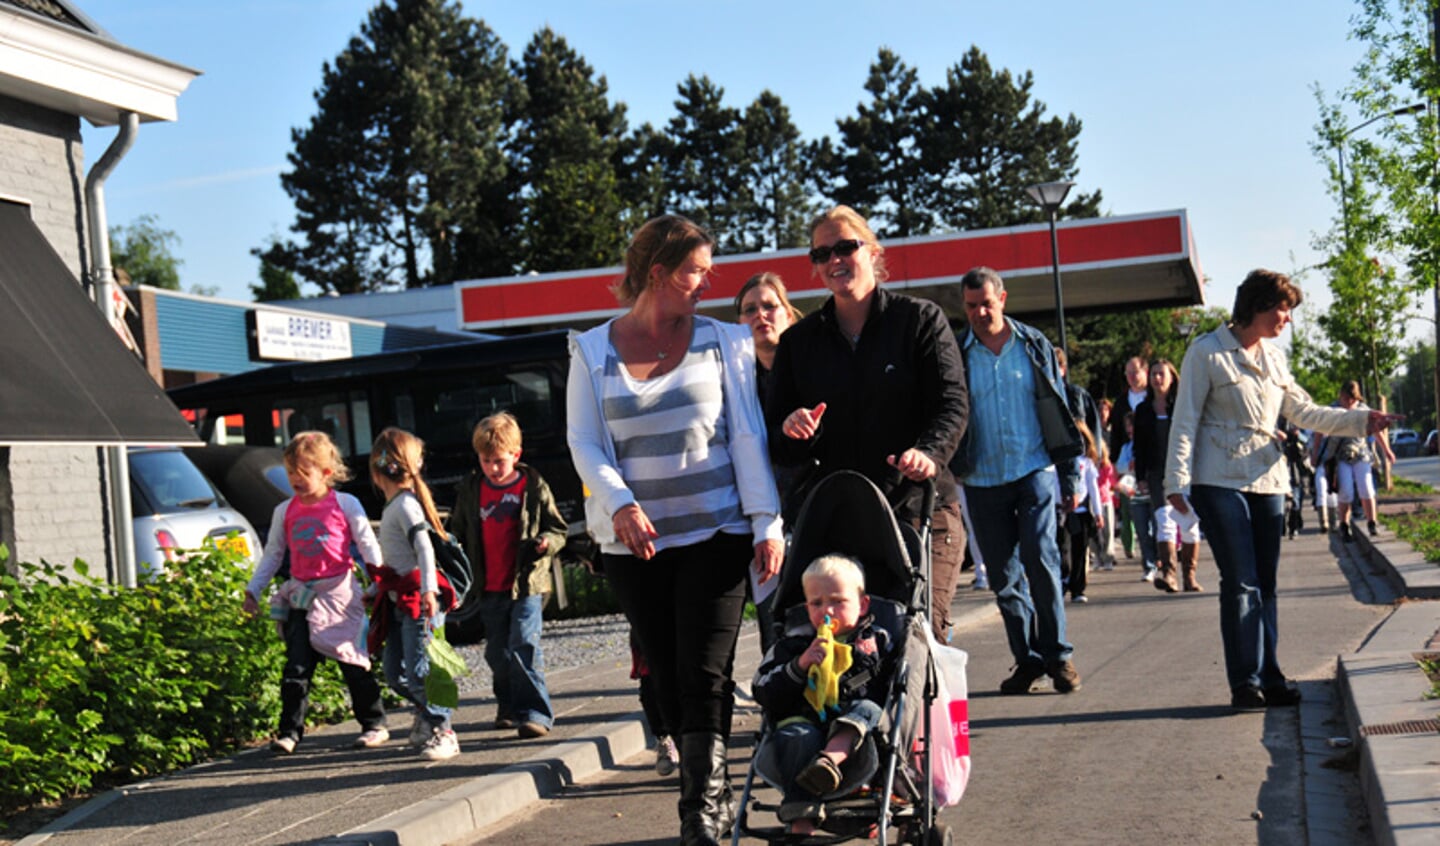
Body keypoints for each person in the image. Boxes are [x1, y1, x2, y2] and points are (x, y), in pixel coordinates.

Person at [566, 214, 784, 846]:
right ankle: (698, 791)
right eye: (695, 270)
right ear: (657, 272)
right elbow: (584, 442)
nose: (707, 282)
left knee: (705, 674)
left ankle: (702, 812)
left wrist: (765, 523)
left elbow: (747, 436)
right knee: (663, 677)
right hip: (634, 545)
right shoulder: (592, 349)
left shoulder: (726, 341)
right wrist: (621, 504)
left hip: (716, 536)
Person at [1165, 269, 1400, 712]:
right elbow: (1184, 421)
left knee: (1266, 582)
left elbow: (1304, 411)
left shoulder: (1274, 359)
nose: (1287, 318)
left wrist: (1361, 421)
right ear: (1257, 306)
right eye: (1282, 308)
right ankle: (1245, 682)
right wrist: (1175, 481)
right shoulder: (1207, 352)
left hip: (1268, 479)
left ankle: (1270, 676)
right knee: (1241, 580)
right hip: (1218, 477)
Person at [767, 205, 969, 644]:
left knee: (915, 636)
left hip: (918, 510)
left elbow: (953, 404)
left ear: (873, 251)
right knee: (838, 641)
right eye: (821, 254)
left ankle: (924, 713)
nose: (834, 260)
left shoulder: (919, 320)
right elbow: (778, 442)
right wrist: (792, 429)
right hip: (841, 520)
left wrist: (929, 454)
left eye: (845, 247)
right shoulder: (798, 343)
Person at [951, 266, 1083, 695]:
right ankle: (1027, 660)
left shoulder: (1032, 345)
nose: (979, 312)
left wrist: (1069, 473)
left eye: (986, 303)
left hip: (1033, 470)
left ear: (1002, 299)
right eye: (971, 306)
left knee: (1041, 561)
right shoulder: (957, 351)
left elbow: (1059, 408)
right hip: (982, 477)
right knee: (1004, 577)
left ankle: (1058, 657)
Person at [242, 430, 388, 754]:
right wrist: (254, 591)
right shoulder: (285, 511)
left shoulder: (346, 504)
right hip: (301, 599)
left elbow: (366, 544)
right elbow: (273, 554)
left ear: (325, 472)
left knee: (353, 663)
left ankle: (374, 724)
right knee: (296, 669)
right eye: (290, 472)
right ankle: (289, 733)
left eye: (303, 472)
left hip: (340, 595)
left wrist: (380, 580)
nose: (295, 479)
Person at [752, 554, 901, 836]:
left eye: (837, 601)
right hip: (805, 720)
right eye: (816, 603)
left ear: (862, 604)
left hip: (855, 729)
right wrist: (800, 665)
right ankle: (801, 820)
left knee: (868, 709)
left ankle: (829, 760)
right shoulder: (793, 643)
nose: (827, 612)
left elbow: (894, 686)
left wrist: (867, 659)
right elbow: (762, 688)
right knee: (796, 736)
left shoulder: (876, 640)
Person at [449, 411, 568, 740]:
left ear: (516, 455)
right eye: (486, 461)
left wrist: (547, 542)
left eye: (499, 461)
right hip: (488, 586)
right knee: (497, 653)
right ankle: (509, 706)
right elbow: (457, 531)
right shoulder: (473, 489)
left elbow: (557, 528)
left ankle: (535, 714)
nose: (492, 468)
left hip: (526, 583)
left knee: (524, 645)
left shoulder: (532, 485)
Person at [367, 427, 460, 760]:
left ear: (377, 471)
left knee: (421, 672)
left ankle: (444, 730)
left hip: (418, 600)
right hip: (398, 601)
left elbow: (423, 549)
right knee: (396, 673)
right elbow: (397, 558)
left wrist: (429, 590)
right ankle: (426, 715)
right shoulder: (396, 505)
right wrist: (375, 588)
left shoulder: (406, 505)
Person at [735, 271, 804, 656]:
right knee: (773, 623)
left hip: (814, 509)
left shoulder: (812, 367)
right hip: (761, 520)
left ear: (788, 315)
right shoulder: (733, 382)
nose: (760, 315)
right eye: (749, 310)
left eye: (769, 306)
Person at [1133, 359, 1205, 593]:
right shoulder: (1143, 410)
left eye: (1161, 374)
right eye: (1153, 374)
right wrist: (1141, 475)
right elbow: (1139, 445)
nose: (1157, 379)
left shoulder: (1182, 407)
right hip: (1157, 473)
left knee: (1189, 524)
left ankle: (1190, 577)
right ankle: (1169, 574)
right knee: (1164, 522)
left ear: (1172, 378)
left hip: (1184, 473)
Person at [1327, 380, 1394, 541]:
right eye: (1346, 399)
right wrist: (1317, 454)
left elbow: (1377, 431)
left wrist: (1387, 451)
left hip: (1361, 454)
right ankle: (1344, 525)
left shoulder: (1364, 410)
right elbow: (1318, 432)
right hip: (1341, 456)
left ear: (1357, 398)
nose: (1349, 403)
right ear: (1340, 396)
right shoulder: (1333, 410)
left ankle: (1372, 522)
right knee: (1346, 492)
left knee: (1366, 489)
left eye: (1353, 399)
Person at [1114, 356, 1158, 579]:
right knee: (1137, 518)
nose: (1131, 377)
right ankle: (1149, 563)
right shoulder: (1122, 402)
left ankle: (1163, 557)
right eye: (1128, 373)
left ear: (1145, 372)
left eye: (1135, 372)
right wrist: (1116, 465)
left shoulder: (1154, 398)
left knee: (1159, 519)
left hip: (1154, 465)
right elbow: (1116, 436)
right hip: (1130, 468)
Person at [1060, 419, 1105, 604]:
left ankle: (1078, 588)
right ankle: (1064, 578)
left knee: (1080, 551)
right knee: (1061, 549)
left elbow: (1093, 488)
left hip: (1081, 511)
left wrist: (1098, 512)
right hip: (1061, 512)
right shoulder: (1058, 461)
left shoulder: (1086, 462)